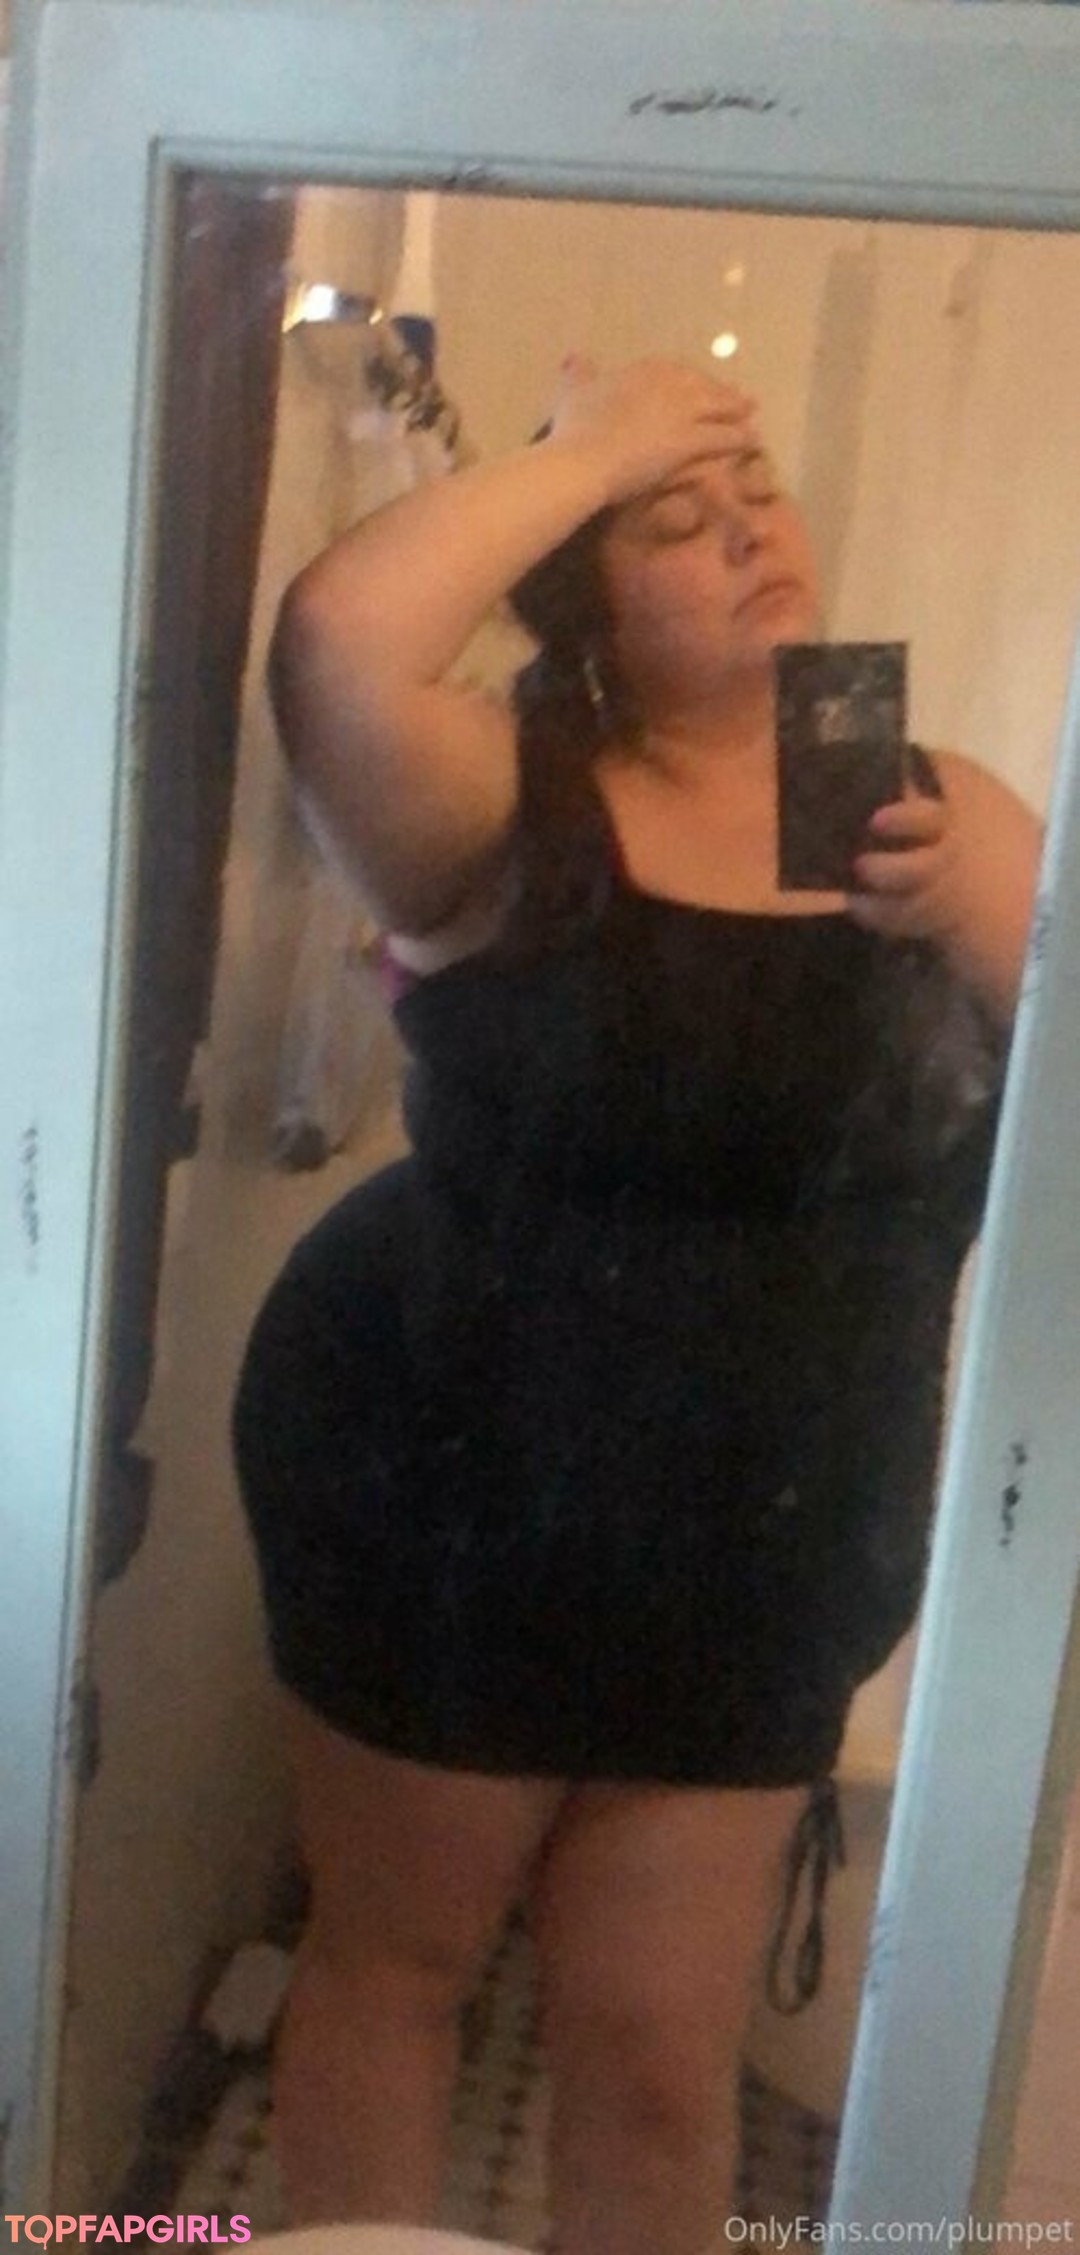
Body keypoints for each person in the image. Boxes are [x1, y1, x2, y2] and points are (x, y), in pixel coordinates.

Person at [231, 355, 1042, 2255]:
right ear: (585, 615)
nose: (748, 530)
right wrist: (598, 445)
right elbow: (336, 648)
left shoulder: (893, 787)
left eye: (756, 491)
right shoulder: (514, 801)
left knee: (661, 2056)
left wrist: (981, 927)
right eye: (677, 524)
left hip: (767, 1542)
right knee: (402, 1967)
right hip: (444, 1497)